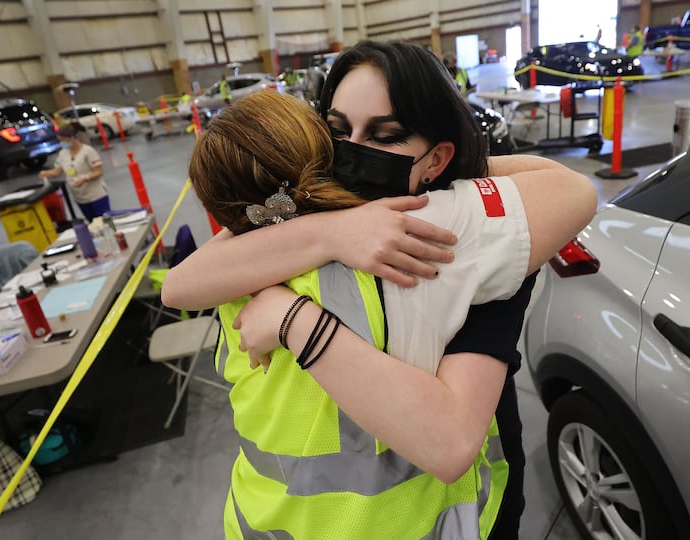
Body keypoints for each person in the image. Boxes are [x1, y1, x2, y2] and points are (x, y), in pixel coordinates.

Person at [164, 41, 597, 538]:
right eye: (337, 130)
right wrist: (333, 231)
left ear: (435, 159)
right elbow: (180, 284)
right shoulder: (286, 220)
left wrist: (293, 318)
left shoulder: (450, 232)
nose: (352, 152)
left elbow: (450, 443)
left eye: (385, 135)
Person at [38, 124, 110, 221]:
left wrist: (85, 178)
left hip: (96, 196)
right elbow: (58, 171)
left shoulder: (88, 151)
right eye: (60, 140)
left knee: (104, 222)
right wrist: (46, 173)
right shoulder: (63, 153)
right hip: (80, 198)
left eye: (63, 140)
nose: (62, 143)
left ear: (72, 138)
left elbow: (98, 171)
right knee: (92, 223)